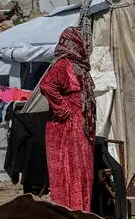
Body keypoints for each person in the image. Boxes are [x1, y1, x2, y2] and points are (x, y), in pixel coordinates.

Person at [39, 26, 96, 212]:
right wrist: (64, 110)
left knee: (82, 174)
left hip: (79, 128)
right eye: (83, 39)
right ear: (74, 42)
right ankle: (69, 213)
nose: (87, 44)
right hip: (67, 130)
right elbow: (47, 85)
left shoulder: (80, 67)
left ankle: (81, 212)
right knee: (69, 173)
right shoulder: (64, 65)